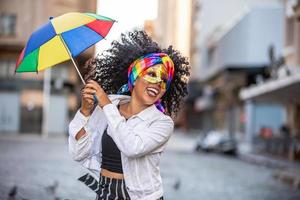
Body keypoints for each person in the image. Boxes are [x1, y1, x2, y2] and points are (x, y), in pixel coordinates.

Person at [68, 30, 190, 200]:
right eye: (152, 74)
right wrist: (85, 112)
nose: (158, 83)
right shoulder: (110, 104)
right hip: (104, 192)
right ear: (135, 76)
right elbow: (79, 153)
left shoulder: (162, 123)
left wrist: (106, 105)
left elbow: (132, 148)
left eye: (164, 80)